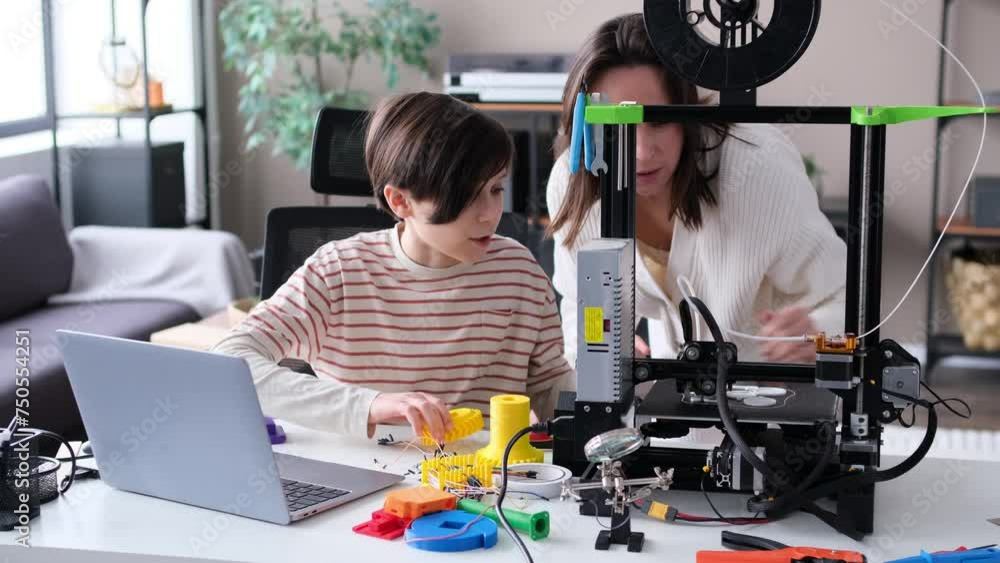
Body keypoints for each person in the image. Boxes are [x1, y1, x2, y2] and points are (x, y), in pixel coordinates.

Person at [213, 92, 573, 443]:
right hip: (363, 470)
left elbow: (550, 389)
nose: (490, 214)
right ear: (400, 200)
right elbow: (229, 362)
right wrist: (369, 406)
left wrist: (603, 383)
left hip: (484, 475)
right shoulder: (337, 272)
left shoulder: (519, 272)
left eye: (495, 189)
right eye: (465, 196)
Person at [546, 14, 847, 368]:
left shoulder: (758, 167)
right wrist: (599, 353)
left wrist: (817, 331)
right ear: (585, 124)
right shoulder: (572, 180)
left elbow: (849, 300)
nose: (641, 151)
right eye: (616, 125)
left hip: (770, 382)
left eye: (659, 119)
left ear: (686, 113)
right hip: (665, 387)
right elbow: (581, 309)